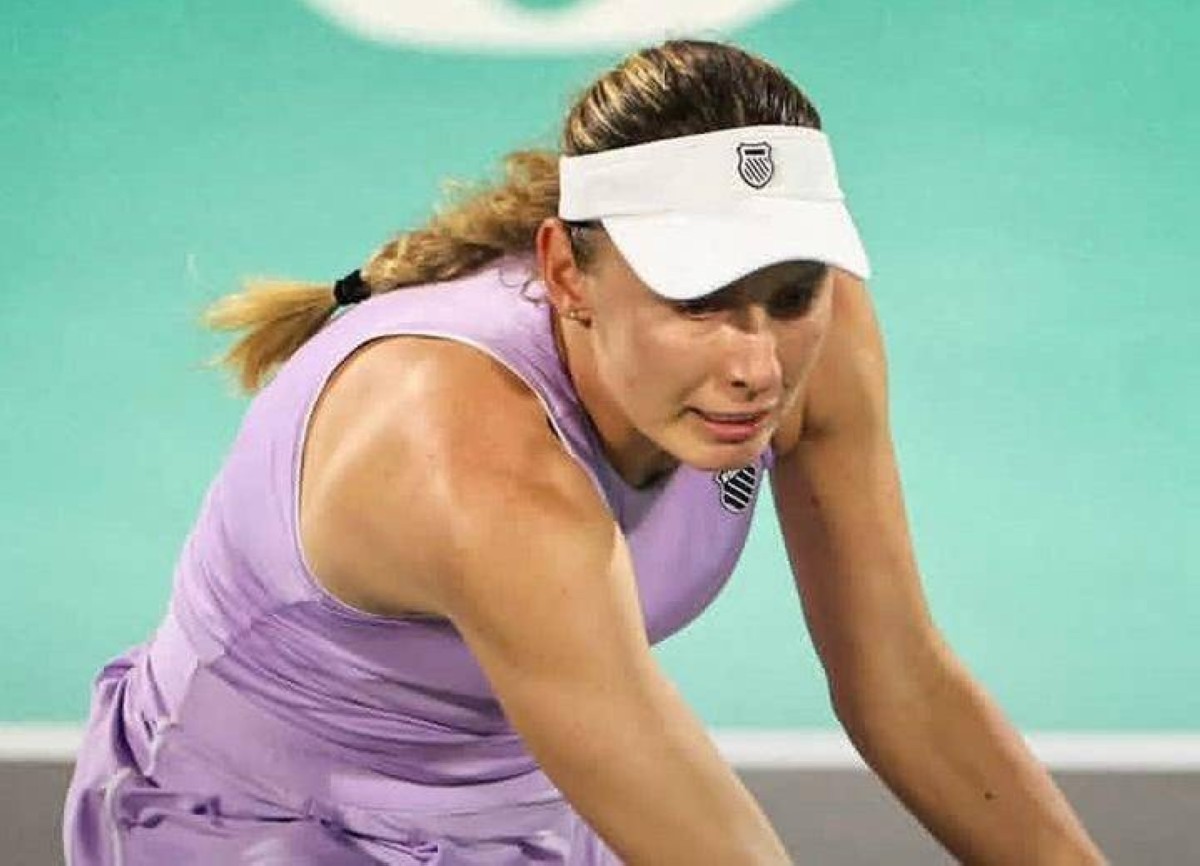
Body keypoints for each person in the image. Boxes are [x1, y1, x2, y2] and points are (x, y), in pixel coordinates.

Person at [63, 38, 1106, 865]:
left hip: (533, 814)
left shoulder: (812, 341)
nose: (757, 364)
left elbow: (899, 682)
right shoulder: (471, 460)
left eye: (792, 296)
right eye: (698, 302)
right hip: (248, 829)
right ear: (568, 273)